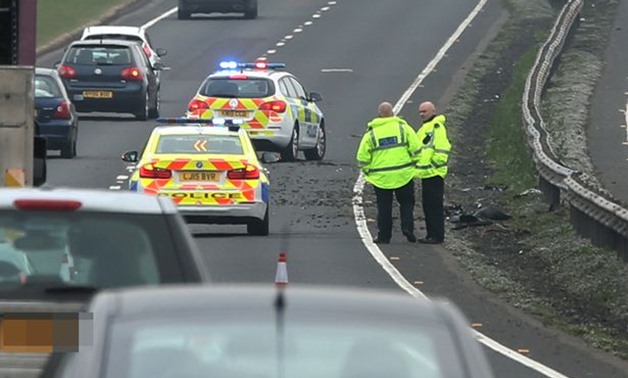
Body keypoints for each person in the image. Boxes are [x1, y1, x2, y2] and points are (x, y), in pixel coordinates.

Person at [356, 102, 421, 244]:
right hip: (403, 174)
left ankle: (384, 236)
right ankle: (407, 227)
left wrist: (368, 171)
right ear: (393, 114)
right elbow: (416, 148)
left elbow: (362, 156)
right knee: (407, 202)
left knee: (384, 207)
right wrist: (413, 163)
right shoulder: (403, 128)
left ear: (379, 115)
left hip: (381, 177)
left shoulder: (371, 133)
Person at [415, 101, 451, 244]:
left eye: (424, 111)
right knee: (428, 206)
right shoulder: (425, 127)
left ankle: (436, 236)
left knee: (434, 207)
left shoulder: (437, 127)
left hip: (434, 173)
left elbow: (442, 149)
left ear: (433, 111)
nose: (421, 114)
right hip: (427, 173)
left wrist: (434, 166)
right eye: (420, 112)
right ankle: (431, 235)